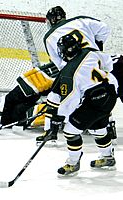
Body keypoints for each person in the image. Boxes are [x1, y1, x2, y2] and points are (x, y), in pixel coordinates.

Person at [44, 34, 118, 175]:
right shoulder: (90, 51)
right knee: (98, 127)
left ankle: (73, 163)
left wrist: (59, 118)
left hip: (95, 101)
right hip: (110, 93)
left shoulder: (68, 73)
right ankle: (107, 156)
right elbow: (107, 62)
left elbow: (70, 101)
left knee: (70, 131)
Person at [44, 6, 111, 70]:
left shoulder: (48, 38)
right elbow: (104, 28)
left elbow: (59, 64)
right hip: (98, 59)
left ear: (52, 20)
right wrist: (97, 44)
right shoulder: (80, 20)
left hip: (77, 71)